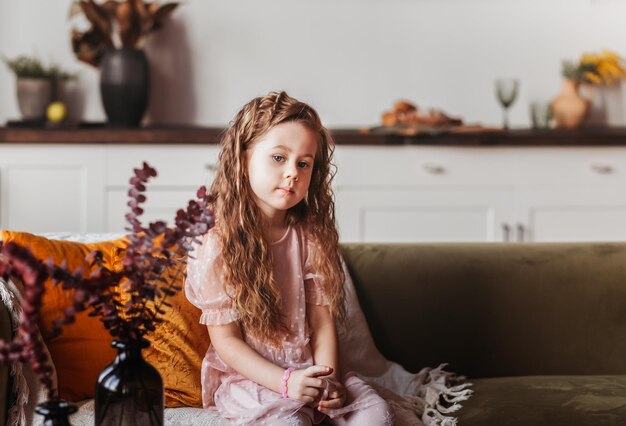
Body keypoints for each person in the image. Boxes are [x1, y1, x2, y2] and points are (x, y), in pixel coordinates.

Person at [185, 91, 394, 425]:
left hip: (309, 368)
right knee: (290, 423)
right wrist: (285, 383)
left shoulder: (310, 237)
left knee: (376, 415)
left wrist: (327, 380)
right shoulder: (218, 244)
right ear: (243, 159)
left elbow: (322, 322)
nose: (293, 173)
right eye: (279, 158)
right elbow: (226, 341)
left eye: (303, 163)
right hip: (254, 379)